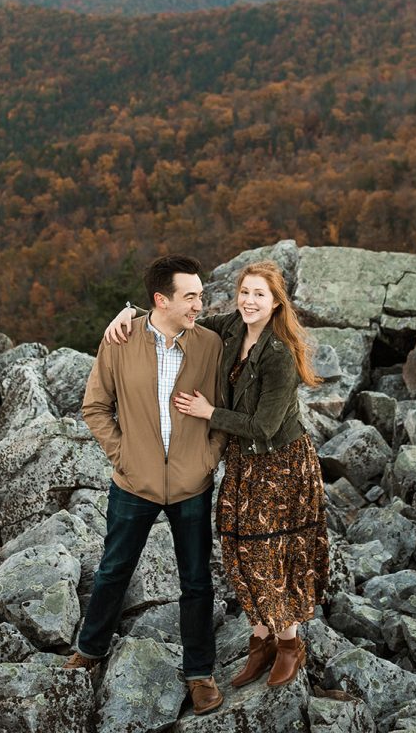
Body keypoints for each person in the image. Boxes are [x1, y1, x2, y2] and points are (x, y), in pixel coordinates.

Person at [103, 258, 330, 689]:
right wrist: (130, 313)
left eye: (259, 295)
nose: (248, 301)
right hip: (244, 464)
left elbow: (264, 426)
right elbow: (177, 311)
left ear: (276, 302)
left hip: (279, 466)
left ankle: (289, 644)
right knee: (242, 553)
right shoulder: (232, 329)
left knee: (273, 554)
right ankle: (259, 641)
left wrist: (210, 413)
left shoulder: (278, 354)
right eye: (244, 292)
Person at [64, 255, 227, 717]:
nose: (200, 303)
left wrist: (206, 459)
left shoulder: (211, 345)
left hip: (192, 483)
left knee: (196, 581)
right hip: (133, 482)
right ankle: (90, 650)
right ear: (162, 300)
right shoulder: (119, 340)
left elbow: (221, 412)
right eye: (191, 296)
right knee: (113, 569)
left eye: (200, 294)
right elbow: (95, 407)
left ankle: (200, 673)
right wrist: (124, 456)